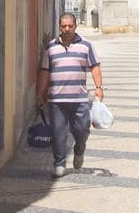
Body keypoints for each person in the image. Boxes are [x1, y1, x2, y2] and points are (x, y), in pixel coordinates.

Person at [37, 13, 103, 178]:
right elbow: (44, 72)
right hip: (56, 100)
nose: (67, 29)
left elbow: (95, 67)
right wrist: (40, 94)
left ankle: (79, 149)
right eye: (63, 26)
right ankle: (59, 163)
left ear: (75, 26)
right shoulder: (50, 47)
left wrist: (98, 87)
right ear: (59, 26)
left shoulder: (86, 46)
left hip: (79, 99)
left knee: (82, 130)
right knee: (58, 132)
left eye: (70, 26)